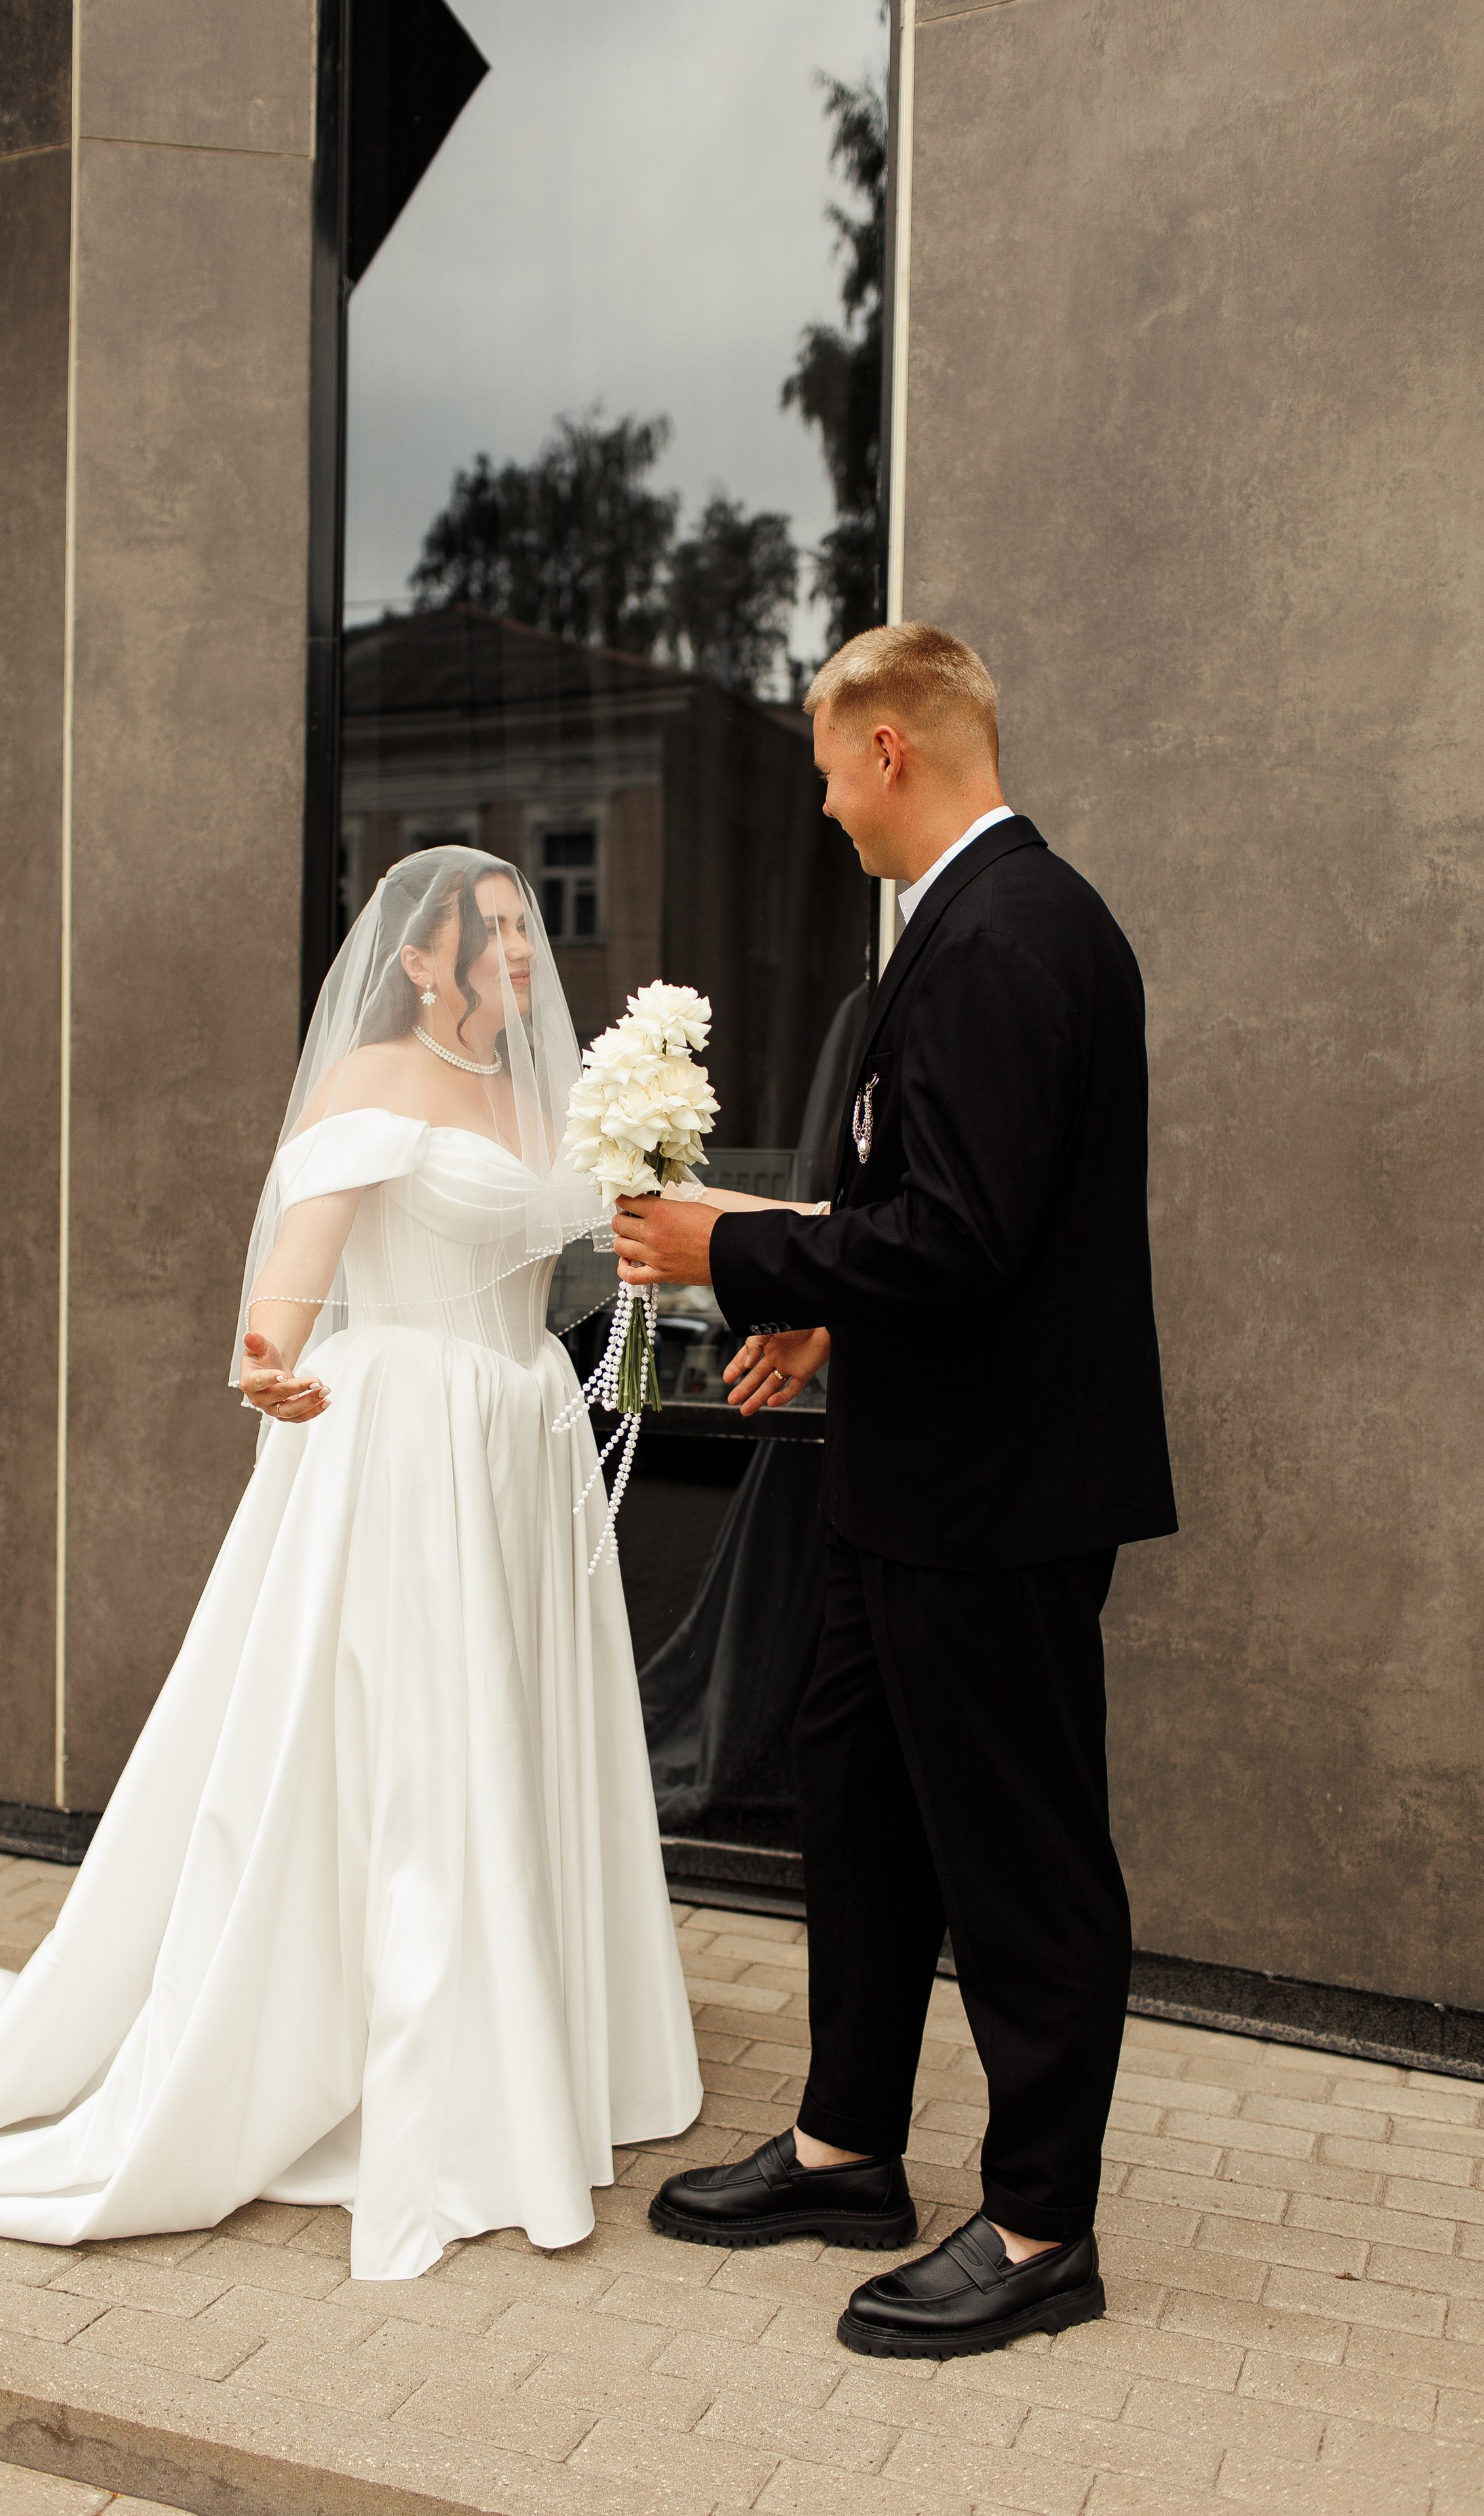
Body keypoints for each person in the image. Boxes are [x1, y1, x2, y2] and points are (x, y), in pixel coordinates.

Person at [0, 847, 701, 2281]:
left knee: (509, 1737)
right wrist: (265, 1353)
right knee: (410, 1754)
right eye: (496, 935)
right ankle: (393, 2050)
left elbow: (625, 1240)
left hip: (519, 1440)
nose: (525, 957)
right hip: (407, 1446)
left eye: (531, 932)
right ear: (418, 962)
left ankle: (530, 2033)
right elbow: (304, 1252)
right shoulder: (373, 1084)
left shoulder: (553, 1103)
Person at [611, 624, 1176, 2359]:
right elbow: (941, 1217)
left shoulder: (1011, 938)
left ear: (891, 753)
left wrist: (738, 1249)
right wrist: (830, 1325)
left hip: (995, 1502)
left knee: (1019, 1863)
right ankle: (848, 2148)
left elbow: (968, 1239)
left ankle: (1037, 2233)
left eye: (825, 768)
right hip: (905, 1479)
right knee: (857, 1814)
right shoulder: (965, 935)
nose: (823, 806)